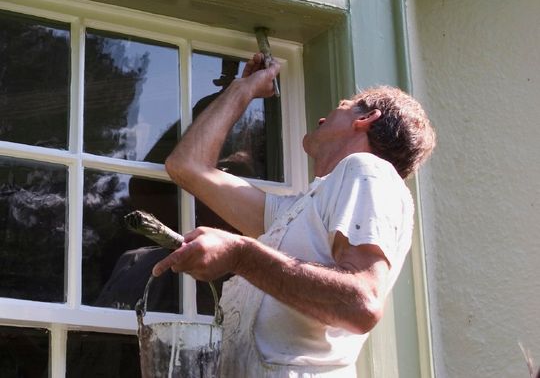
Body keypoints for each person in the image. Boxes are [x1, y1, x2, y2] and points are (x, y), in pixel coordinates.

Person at [152, 53, 436, 377]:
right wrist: (241, 90)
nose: (323, 117)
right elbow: (187, 165)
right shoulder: (296, 213)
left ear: (367, 117)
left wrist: (241, 255)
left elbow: (362, 303)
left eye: (342, 105)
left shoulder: (368, 170)